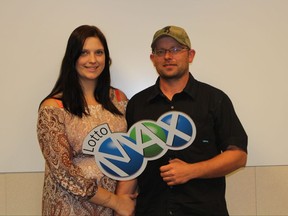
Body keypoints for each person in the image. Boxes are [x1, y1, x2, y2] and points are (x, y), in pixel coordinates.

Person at [116, 25, 248, 216]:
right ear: (153, 59)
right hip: (151, 210)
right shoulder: (137, 104)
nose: (168, 56)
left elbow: (238, 155)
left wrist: (192, 171)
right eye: (161, 51)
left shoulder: (214, 99)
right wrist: (121, 202)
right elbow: (133, 160)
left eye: (176, 49)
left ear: (191, 55)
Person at [37, 25, 136, 216]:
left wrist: (122, 200)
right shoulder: (53, 108)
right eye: (84, 53)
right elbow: (63, 172)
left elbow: (134, 151)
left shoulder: (119, 99)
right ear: (72, 58)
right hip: (70, 207)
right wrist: (114, 201)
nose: (92, 60)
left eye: (99, 52)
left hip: (118, 207)